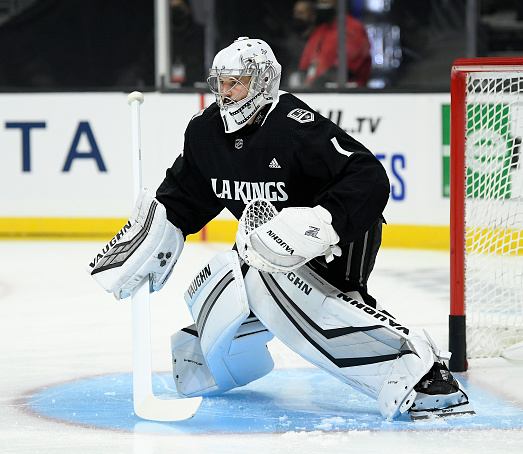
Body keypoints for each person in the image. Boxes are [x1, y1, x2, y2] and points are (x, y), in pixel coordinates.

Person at [87, 37, 473, 421]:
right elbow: (184, 197)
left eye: (236, 81)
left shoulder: (294, 128)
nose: (226, 92)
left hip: (336, 243)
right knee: (227, 279)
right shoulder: (205, 134)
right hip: (268, 245)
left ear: (264, 82)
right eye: (221, 82)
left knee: (293, 298)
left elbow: (368, 176)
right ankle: (204, 363)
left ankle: (419, 373)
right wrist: (156, 234)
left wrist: (322, 221)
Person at [298, 0, 371, 88]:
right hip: (316, 93)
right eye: (320, 3)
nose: (322, 6)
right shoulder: (320, 30)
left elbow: (344, 69)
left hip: (346, 94)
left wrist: (313, 86)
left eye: (326, 3)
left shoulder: (353, 28)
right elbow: (304, 66)